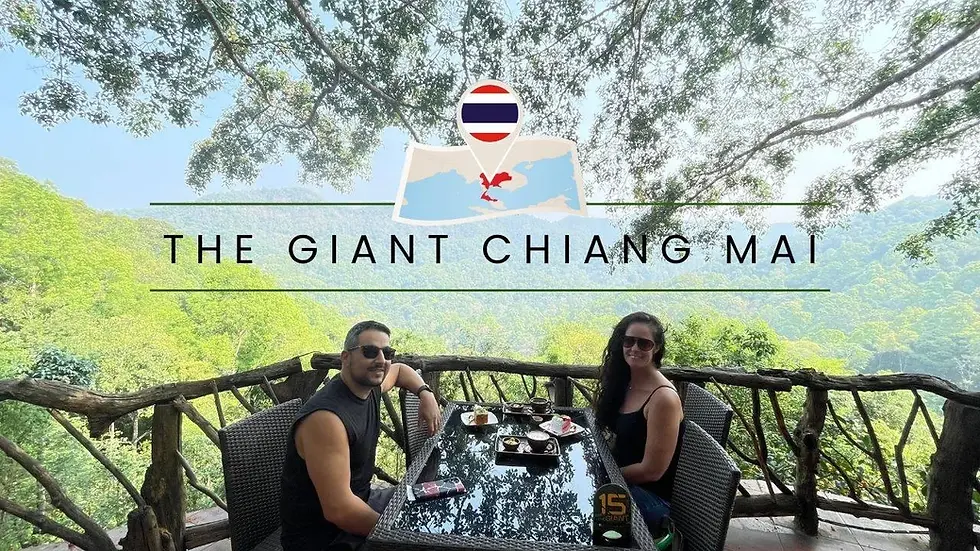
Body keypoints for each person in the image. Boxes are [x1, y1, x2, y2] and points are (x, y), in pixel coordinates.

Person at [280, 320, 442, 551]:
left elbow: (399, 370)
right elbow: (340, 510)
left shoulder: (369, 387)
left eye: (387, 352)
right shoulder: (327, 419)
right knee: (430, 540)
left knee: (439, 497)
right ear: (345, 357)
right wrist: (401, 536)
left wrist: (425, 393)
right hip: (325, 537)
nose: (381, 360)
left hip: (362, 501)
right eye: (369, 351)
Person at [593, 312, 685, 533]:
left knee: (582, 506)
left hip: (651, 498)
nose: (634, 348)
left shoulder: (663, 399)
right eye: (629, 340)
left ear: (657, 349)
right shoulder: (626, 383)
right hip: (622, 483)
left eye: (644, 344)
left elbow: (652, 471)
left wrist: (603, 476)